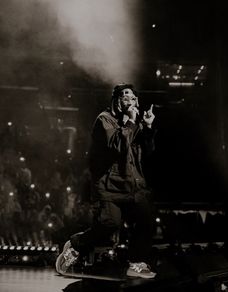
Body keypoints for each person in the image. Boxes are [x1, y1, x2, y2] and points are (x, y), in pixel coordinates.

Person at [56, 83, 157, 279]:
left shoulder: (135, 123)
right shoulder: (105, 120)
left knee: (146, 220)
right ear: (116, 100)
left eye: (132, 97)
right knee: (109, 223)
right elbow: (117, 145)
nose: (129, 99)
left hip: (133, 185)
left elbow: (147, 151)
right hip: (109, 185)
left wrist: (148, 127)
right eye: (124, 96)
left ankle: (135, 263)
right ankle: (75, 246)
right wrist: (130, 123)